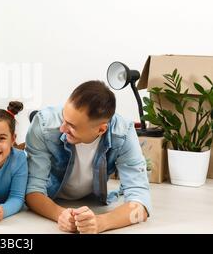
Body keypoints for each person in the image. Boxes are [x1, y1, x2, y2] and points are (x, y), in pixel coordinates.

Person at [25, 80, 151, 234]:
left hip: (92, 202)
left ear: (101, 129)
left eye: (72, 126)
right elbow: (32, 190)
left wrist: (101, 222)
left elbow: (141, 201)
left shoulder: (123, 132)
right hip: (52, 199)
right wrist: (60, 215)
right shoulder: (43, 124)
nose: (62, 128)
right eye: (64, 117)